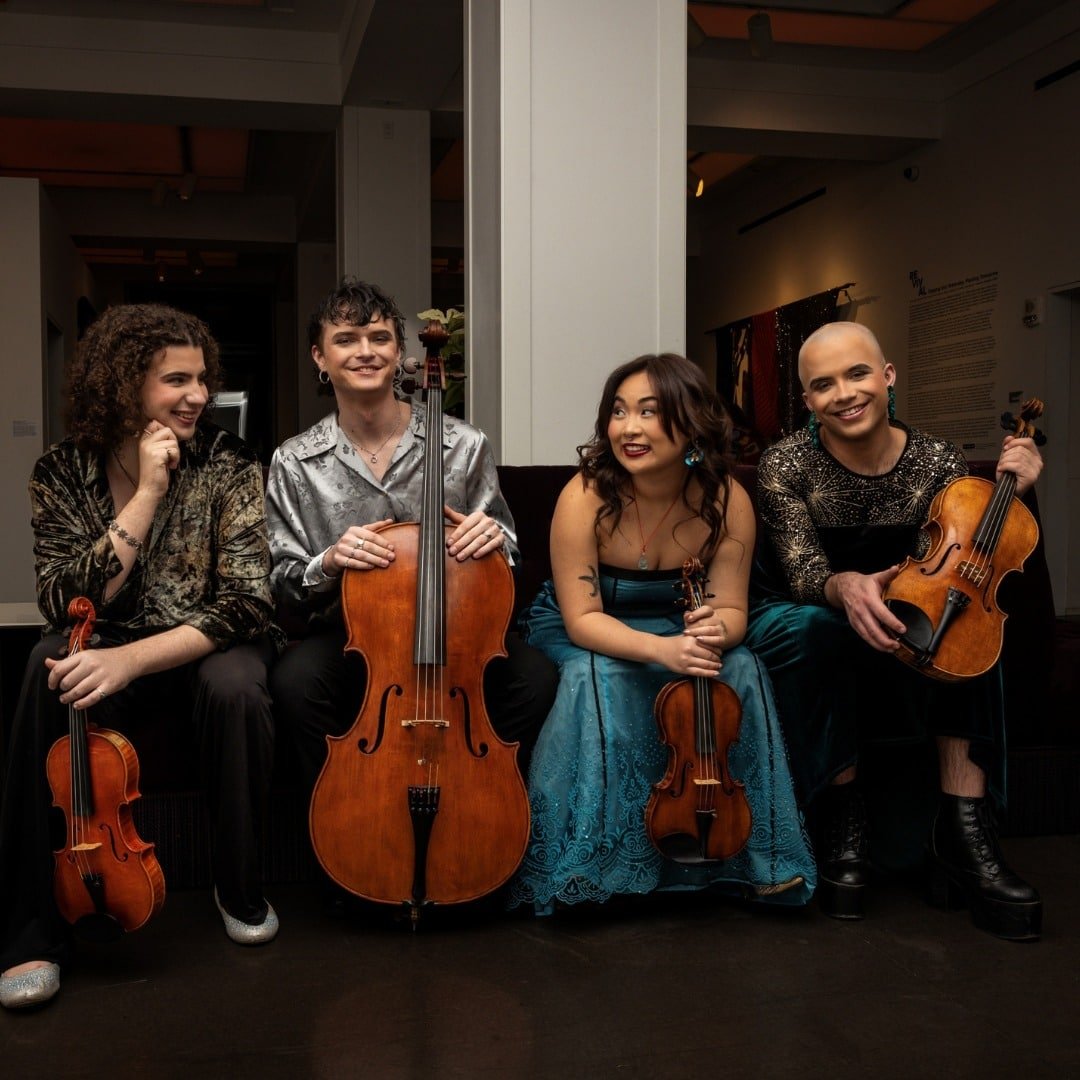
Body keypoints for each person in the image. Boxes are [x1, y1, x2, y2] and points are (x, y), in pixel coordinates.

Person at [0, 304, 279, 1011]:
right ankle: (32, 929)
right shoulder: (62, 470)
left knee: (240, 685)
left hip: (203, 645)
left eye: (202, 379)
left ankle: (239, 887)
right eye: (176, 380)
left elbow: (246, 602)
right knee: (43, 663)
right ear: (125, 384)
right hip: (106, 642)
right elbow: (63, 599)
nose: (198, 395)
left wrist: (131, 660)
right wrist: (149, 492)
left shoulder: (230, 463)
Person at [743, 320, 1043, 940]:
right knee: (822, 629)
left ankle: (964, 833)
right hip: (805, 605)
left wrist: (1015, 492)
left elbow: (970, 562)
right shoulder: (785, 464)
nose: (844, 394)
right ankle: (843, 817)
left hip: (908, 594)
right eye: (823, 384)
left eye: (857, 374)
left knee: (968, 626)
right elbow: (803, 573)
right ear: (807, 400)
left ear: (887, 377)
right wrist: (847, 587)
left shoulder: (937, 459)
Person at [265, 277, 557, 893]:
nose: (365, 351)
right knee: (294, 682)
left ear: (400, 353)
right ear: (320, 357)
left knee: (535, 676)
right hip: (353, 639)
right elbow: (283, 583)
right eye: (346, 339)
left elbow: (508, 550)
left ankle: (476, 825)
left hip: (457, 636)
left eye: (379, 337)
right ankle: (352, 836)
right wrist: (329, 560)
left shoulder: (463, 444)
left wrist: (492, 540)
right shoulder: (295, 461)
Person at [508, 353, 815, 914]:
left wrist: (714, 631)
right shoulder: (584, 496)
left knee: (741, 667)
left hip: (680, 623)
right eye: (619, 412)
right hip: (589, 628)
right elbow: (582, 620)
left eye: (649, 412)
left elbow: (732, 611)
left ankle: (746, 856)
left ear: (691, 422)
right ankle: (591, 867)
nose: (629, 428)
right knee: (596, 676)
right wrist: (663, 651)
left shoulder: (727, 500)